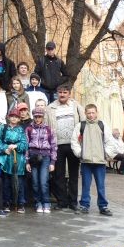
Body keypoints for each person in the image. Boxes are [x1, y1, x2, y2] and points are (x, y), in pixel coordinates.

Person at [45, 83, 84, 212]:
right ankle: (62, 201)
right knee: (59, 175)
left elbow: (83, 123)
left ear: (69, 93)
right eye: (60, 92)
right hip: (57, 145)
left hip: (73, 145)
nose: (62, 95)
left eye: (64, 92)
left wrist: (81, 139)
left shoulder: (76, 106)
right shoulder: (50, 107)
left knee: (73, 174)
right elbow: (46, 127)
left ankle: (73, 201)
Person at [71, 104, 115, 216]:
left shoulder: (102, 125)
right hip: (86, 162)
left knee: (101, 185)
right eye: (89, 113)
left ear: (96, 112)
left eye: (93, 112)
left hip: (100, 161)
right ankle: (84, 205)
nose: (91, 115)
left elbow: (109, 141)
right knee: (86, 185)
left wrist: (106, 154)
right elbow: (74, 142)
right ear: (85, 113)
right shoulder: (81, 126)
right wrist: (80, 153)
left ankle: (103, 206)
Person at [25, 106, 57, 213]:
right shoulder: (29, 129)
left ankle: (46, 202)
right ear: (33, 117)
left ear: (43, 117)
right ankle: (37, 202)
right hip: (33, 157)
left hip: (45, 157)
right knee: (35, 182)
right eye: (36, 117)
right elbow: (26, 147)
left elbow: (53, 146)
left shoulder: (49, 129)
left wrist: (52, 162)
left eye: (40, 116)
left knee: (44, 181)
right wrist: (27, 161)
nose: (38, 119)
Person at [0, 110, 28, 212]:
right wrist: (5, 148)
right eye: (12, 116)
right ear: (8, 117)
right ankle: (6, 203)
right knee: (6, 182)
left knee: (19, 182)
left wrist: (17, 146)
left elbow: (25, 144)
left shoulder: (21, 130)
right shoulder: (3, 128)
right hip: (6, 158)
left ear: (19, 119)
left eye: (16, 117)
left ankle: (20, 203)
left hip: (18, 159)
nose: (14, 118)